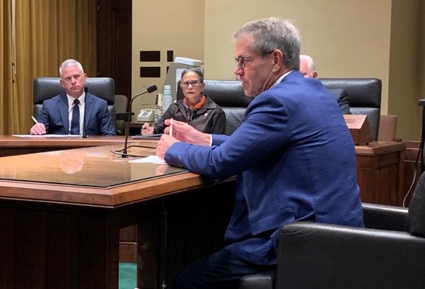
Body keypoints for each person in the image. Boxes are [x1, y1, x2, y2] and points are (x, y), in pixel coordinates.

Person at [156, 17, 364, 289]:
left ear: (275, 60)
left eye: (244, 61)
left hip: (299, 239)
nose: (236, 71)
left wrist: (174, 149)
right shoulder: (313, 91)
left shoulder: (276, 101)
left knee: (189, 279)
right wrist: (204, 138)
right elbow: (253, 145)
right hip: (336, 232)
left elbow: (221, 163)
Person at [30, 59, 115, 136]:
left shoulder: (100, 105)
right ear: (62, 83)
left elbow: (109, 136)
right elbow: (39, 136)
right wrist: (35, 131)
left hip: (90, 151)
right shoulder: (49, 106)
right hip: (60, 151)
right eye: (68, 78)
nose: (73, 81)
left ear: (85, 78)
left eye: (76, 76)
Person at [141, 68, 226, 135]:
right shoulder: (175, 108)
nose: (189, 87)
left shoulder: (216, 112)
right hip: (177, 152)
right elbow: (157, 129)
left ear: (202, 86)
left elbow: (217, 143)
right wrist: (149, 130)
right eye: (186, 83)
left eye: (194, 83)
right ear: (181, 87)